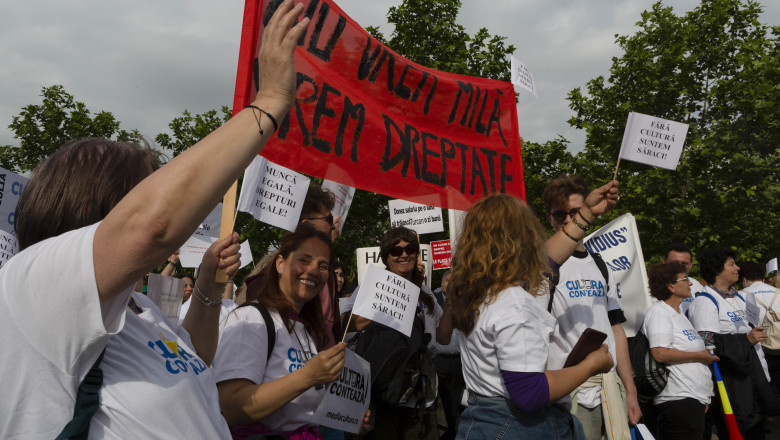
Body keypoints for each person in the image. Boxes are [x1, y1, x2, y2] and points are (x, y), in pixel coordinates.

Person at [0, 3, 311, 437]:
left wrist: (206, 287)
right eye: (145, 189)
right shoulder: (35, 286)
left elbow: (197, 360)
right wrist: (271, 102)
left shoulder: (138, 306)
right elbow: (152, 224)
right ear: (96, 203)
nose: (175, 205)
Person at [449, 190, 617, 439]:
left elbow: (549, 260)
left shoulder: (477, 293)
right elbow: (529, 393)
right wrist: (591, 365)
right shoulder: (514, 304)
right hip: (518, 427)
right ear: (523, 239)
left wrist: (588, 213)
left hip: (483, 420)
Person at [215, 224, 365, 439]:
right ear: (280, 264)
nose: (313, 270)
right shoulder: (251, 318)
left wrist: (351, 415)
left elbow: (300, 409)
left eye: (323, 265)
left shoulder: (304, 327)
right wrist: (308, 376)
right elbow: (232, 408)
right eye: (304, 260)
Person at [541, 175, 641, 440]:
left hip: (610, 387)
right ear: (550, 218)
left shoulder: (600, 264)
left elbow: (615, 329)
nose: (568, 219)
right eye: (560, 214)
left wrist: (630, 390)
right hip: (569, 392)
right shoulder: (543, 264)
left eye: (575, 211)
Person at [342, 226, 452, 440]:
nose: (403, 254)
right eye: (395, 250)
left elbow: (444, 337)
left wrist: (452, 300)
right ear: (386, 257)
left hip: (422, 396)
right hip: (383, 394)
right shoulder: (372, 286)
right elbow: (344, 324)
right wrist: (383, 306)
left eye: (409, 248)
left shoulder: (426, 291)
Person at [687, 248, 776, 439]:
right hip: (731, 383)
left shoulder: (742, 297)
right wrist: (746, 340)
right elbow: (706, 343)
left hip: (755, 376)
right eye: (732, 264)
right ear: (718, 270)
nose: (738, 268)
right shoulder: (705, 302)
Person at [643, 262, 716, 440]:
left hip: (691, 398)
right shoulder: (660, 312)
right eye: (685, 279)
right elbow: (660, 353)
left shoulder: (678, 313)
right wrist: (700, 356)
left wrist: (703, 396)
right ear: (671, 286)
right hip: (678, 399)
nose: (691, 283)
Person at [431, 271, 465, 440]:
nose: (451, 284)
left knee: (454, 403)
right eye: (448, 281)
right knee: (437, 401)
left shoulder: (465, 301)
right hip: (437, 361)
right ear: (442, 283)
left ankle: (453, 433)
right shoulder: (432, 299)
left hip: (457, 363)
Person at [739, 261, 780, 398]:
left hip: (758, 350)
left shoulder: (741, 296)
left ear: (744, 279)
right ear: (763, 278)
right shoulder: (778, 292)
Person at [662, 243, 704, 315]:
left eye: (684, 264)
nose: (679, 267)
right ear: (664, 261)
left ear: (690, 265)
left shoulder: (696, 286)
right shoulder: (648, 285)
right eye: (674, 263)